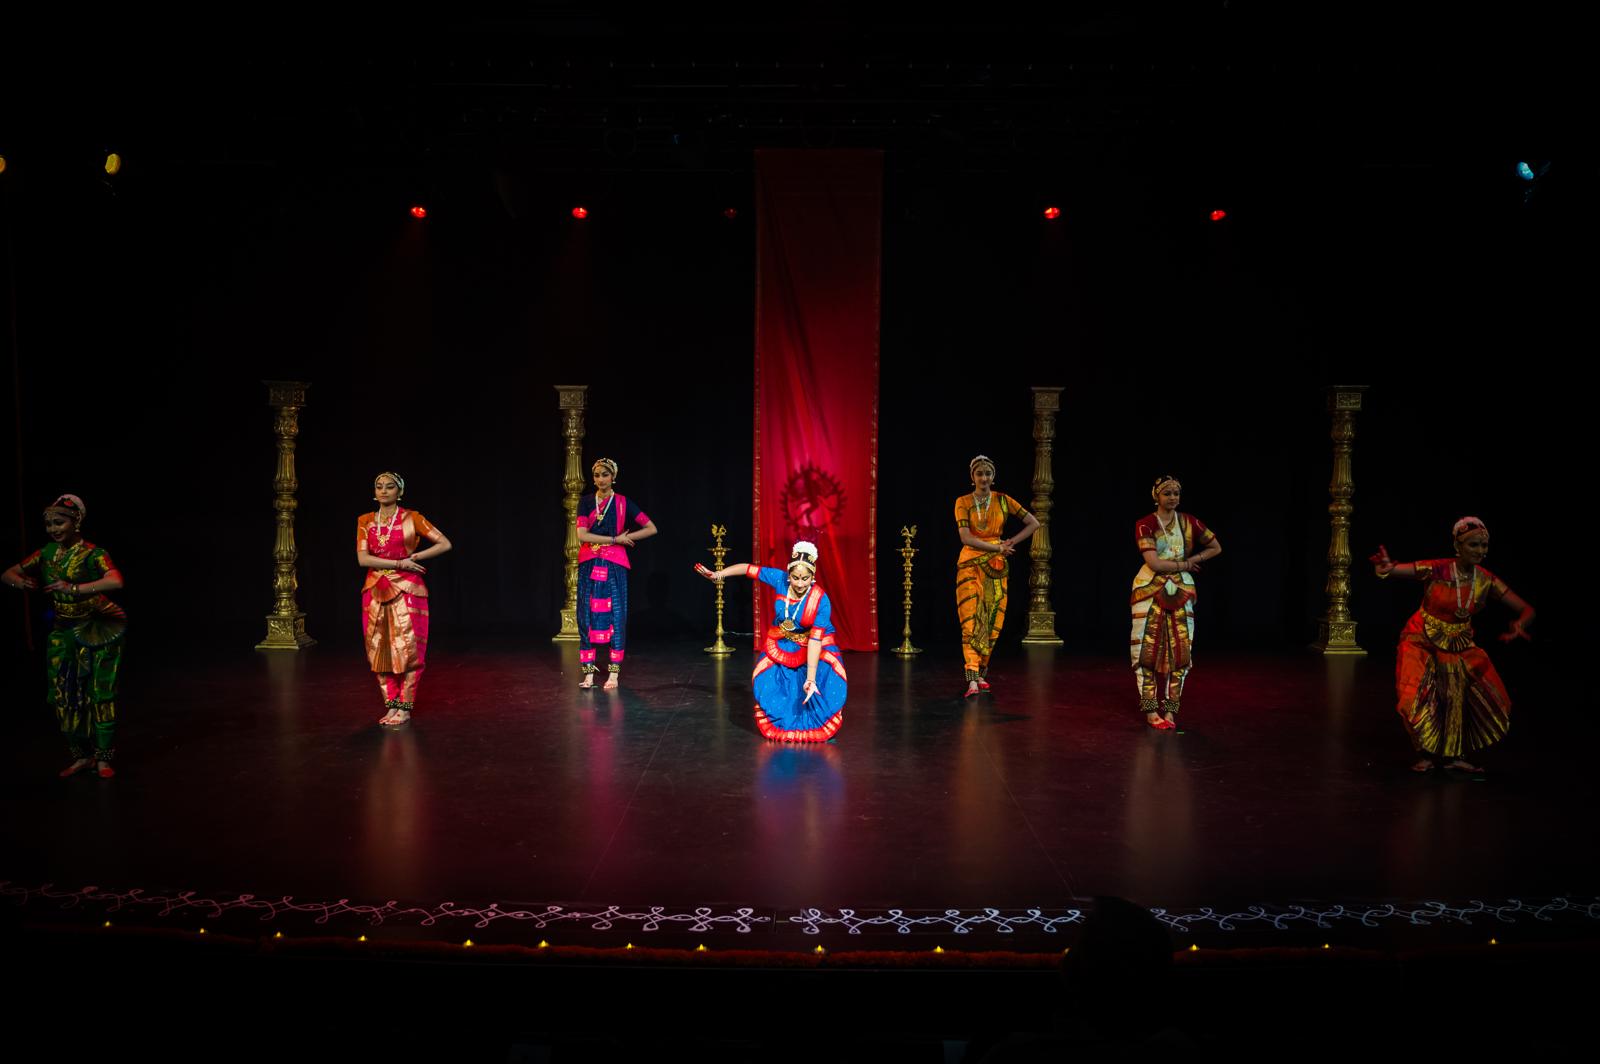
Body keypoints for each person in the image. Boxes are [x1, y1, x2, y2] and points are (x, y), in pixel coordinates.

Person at [1370, 517, 1534, 774]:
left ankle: (1452, 756)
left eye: (1484, 546)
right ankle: (1424, 752)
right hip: (1421, 637)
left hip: (1458, 643)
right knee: (1415, 695)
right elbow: (1397, 570)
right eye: (1474, 545)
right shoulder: (1438, 568)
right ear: (1458, 546)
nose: (1481, 551)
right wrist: (1388, 567)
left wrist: (1520, 625)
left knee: (1455, 698)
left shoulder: (1486, 580)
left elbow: (1526, 609)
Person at [3, 494, 126, 778]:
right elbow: (7, 573)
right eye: (49, 524)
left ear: (76, 521)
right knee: (65, 693)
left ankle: (104, 757)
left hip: (99, 626)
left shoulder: (93, 553)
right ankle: (81, 755)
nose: (53, 529)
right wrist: (19, 582)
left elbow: (115, 580)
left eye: (59, 522)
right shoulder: (46, 553)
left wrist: (73, 588)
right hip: (64, 629)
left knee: (100, 692)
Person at [696, 541, 846, 741]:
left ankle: (812, 717)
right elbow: (748, 569)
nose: (800, 584)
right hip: (784, 640)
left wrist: (810, 680)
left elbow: (815, 640)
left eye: (805, 578)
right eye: (795, 578)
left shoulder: (820, 600)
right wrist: (718, 574)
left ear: (813, 576)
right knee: (768, 679)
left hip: (813, 644)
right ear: (788, 573)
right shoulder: (780, 579)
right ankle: (781, 719)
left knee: (821, 679)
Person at [356, 472, 452, 725]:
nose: (384, 491)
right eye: (379, 487)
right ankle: (392, 704)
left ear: (399, 492)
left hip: (408, 589)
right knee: (378, 649)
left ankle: (405, 706)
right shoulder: (365, 521)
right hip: (375, 588)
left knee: (409, 650)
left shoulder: (413, 518)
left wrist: (415, 559)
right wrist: (400, 562)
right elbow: (363, 559)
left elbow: (444, 543)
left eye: (390, 487)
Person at [1130, 475, 1221, 729]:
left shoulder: (1189, 522)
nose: (1172, 498)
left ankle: (1171, 711)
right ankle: (1150, 711)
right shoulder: (1146, 524)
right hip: (1149, 588)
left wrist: (1197, 558)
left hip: (1181, 589)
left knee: (1180, 652)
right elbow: (1155, 563)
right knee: (1145, 651)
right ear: (1156, 496)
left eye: (1176, 494)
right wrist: (1187, 564)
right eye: (1167, 493)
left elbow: (1216, 547)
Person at [955, 455, 1040, 698]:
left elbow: (1033, 523)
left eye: (988, 474)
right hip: (971, 563)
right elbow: (966, 537)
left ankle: (981, 673)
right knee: (971, 620)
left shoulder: (1003, 500)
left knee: (992, 622)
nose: (984, 478)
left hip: (996, 566)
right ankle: (971, 678)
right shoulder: (962, 501)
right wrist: (998, 547)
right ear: (972, 477)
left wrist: (1010, 542)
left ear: (993, 476)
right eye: (979, 474)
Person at [574, 457, 657, 689]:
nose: (600, 479)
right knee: (585, 615)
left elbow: (651, 528)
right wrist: (615, 539)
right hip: (590, 562)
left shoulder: (622, 502)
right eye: (597, 475)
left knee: (616, 616)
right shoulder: (586, 502)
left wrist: (625, 540)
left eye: (605, 475)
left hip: (614, 565)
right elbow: (582, 535)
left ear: (613, 477)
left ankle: (614, 674)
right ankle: (589, 674)